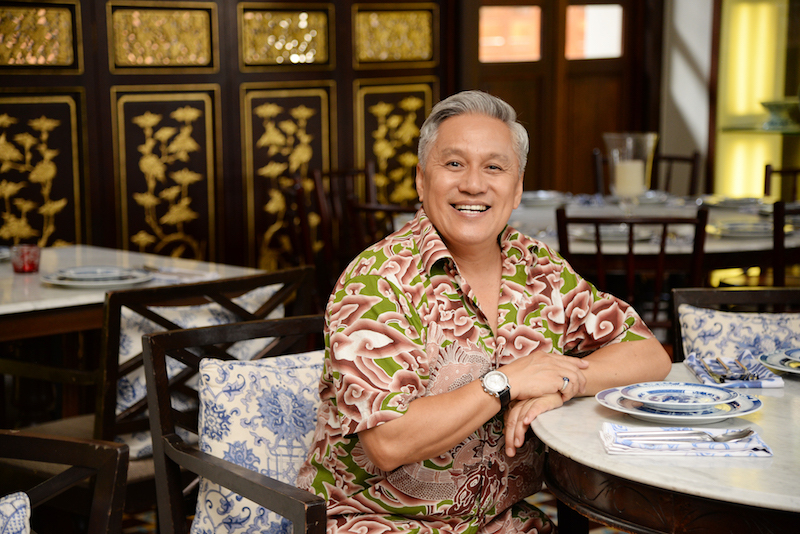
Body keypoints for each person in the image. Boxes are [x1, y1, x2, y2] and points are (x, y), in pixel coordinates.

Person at [296, 90, 672, 533]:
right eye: (454, 164)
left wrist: (564, 383)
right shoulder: (378, 280)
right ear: (421, 180)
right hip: (378, 524)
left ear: (517, 190)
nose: (474, 184)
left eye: (494, 167)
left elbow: (650, 355)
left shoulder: (539, 268)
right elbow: (388, 442)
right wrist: (508, 382)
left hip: (503, 523)